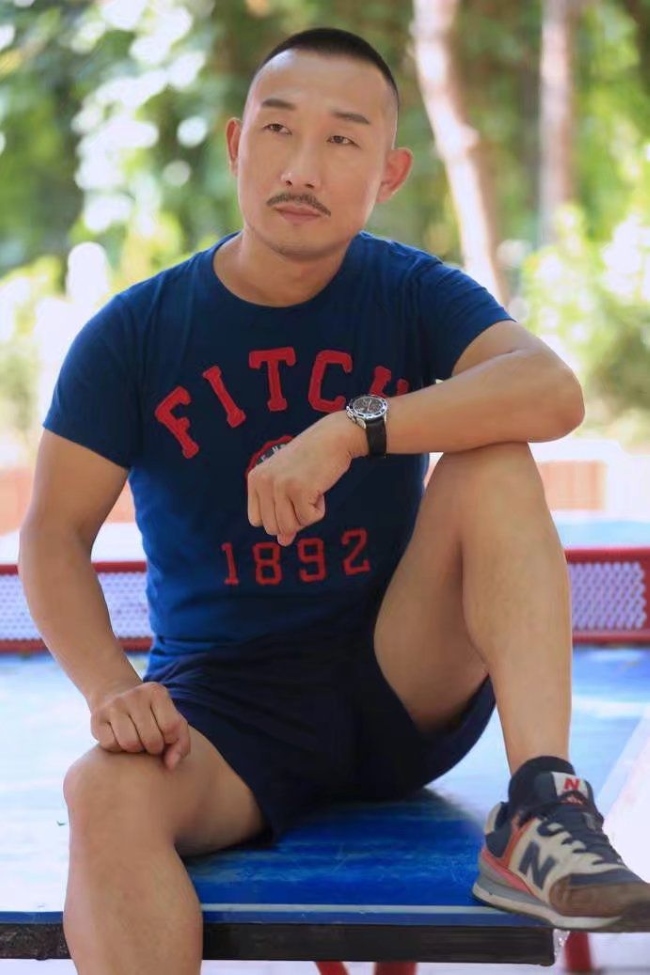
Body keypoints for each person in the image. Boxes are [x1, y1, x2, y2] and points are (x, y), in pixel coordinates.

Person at [19, 25, 650, 975]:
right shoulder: (134, 333)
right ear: (237, 144)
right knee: (101, 791)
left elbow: (551, 390)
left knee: (492, 458)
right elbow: (52, 535)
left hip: (402, 681)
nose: (302, 167)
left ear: (389, 173)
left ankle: (541, 810)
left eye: (343, 139)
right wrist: (112, 688)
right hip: (222, 707)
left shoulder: (410, 291)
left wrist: (351, 428)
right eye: (278, 130)